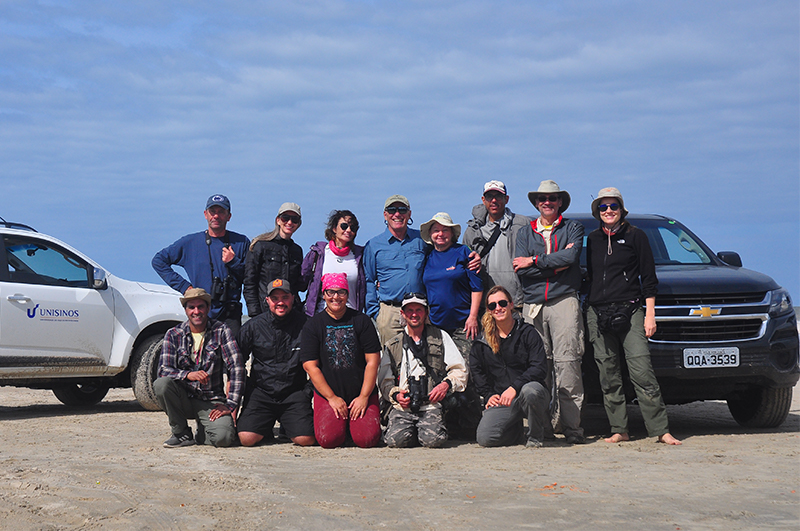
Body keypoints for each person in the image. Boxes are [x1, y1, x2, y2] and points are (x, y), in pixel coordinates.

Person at [586, 187, 681, 445]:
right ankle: (620, 429)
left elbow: (649, 278)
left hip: (631, 310)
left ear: (621, 209)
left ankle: (661, 430)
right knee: (608, 374)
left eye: (613, 206)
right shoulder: (593, 239)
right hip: (599, 313)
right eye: (603, 207)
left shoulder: (636, 236)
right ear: (597, 211)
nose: (608, 211)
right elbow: (591, 278)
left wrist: (650, 315)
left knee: (642, 371)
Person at [513, 179, 586, 445]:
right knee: (536, 368)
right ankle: (541, 429)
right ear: (536, 203)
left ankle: (572, 429)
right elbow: (520, 269)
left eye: (552, 198)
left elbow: (571, 258)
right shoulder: (524, 233)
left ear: (560, 203)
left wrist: (534, 260)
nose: (547, 202)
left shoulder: (573, 228)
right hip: (533, 304)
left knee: (568, 366)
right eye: (542, 199)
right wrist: (556, 264)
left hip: (564, 300)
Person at [364, 195, 482, 344]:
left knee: (424, 359)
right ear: (385, 214)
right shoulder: (373, 245)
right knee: (392, 360)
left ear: (409, 214)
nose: (397, 214)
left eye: (402, 209)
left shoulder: (421, 240)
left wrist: (472, 255)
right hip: (390, 312)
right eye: (392, 210)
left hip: (419, 309)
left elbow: (446, 251)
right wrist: (375, 313)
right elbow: (368, 280)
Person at [154, 288, 244, 448]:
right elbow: (163, 370)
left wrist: (230, 404)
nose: (197, 311)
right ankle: (181, 433)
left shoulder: (221, 330)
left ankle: (203, 433)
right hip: (182, 399)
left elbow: (236, 367)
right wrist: (188, 375)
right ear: (186, 310)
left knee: (224, 438)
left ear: (208, 308)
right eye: (191, 307)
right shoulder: (173, 334)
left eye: (200, 307)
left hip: (211, 400)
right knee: (162, 384)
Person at [300, 273, 382, 448]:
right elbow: (310, 366)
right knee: (328, 440)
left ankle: (354, 425)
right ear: (324, 294)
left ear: (347, 294)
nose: (335, 297)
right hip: (329, 393)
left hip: (360, 392)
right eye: (330, 292)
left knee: (366, 440)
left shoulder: (362, 321)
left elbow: (373, 361)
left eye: (341, 292)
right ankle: (342, 425)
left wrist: (364, 396)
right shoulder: (313, 325)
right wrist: (332, 398)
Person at [378, 293, 468, 448]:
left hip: (431, 404)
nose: (414, 314)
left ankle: (428, 428)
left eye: (419, 310)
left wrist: (445, 385)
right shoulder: (393, 345)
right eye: (410, 310)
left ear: (426, 312)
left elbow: (460, 370)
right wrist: (396, 394)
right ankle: (414, 430)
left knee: (433, 441)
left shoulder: (441, 337)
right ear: (403, 314)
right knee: (395, 441)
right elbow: (384, 382)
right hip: (403, 406)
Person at [152, 194, 249, 336]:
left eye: (221, 212)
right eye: (212, 212)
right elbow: (159, 261)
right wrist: (185, 287)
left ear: (229, 216)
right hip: (201, 312)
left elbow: (250, 277)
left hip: (230, 313)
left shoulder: (241, 242)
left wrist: (233, 262)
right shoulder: (190, 243)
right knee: (201, 356)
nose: (216, 216)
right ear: (205, 214)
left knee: (233, 356)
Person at [237, 279, 315, 447]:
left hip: (294, 393)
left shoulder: (307, 326)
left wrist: (307, 392)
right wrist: (247, 389)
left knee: (305, 439)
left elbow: (319, 364)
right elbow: (236, 365)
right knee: (246, 438)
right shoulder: (253, 326)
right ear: (267, 301)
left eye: (285, 297)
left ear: (293, 298)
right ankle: (264, 427)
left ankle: (290, 426)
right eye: (275, 298)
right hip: (261, 392)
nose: (280, 302)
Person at [470, 286, 550, 448]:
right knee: (486, 438)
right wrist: (488, 394)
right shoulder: (482, 341)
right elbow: (476, 371)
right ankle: (515, 431)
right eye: (493, 306)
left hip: (528, 393)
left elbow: (539, 368)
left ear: (511, 304)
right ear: (489, 311)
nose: (498, 308)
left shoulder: (528, 332)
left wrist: (515, 387)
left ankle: (536, 436)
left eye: (502, 303)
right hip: (503, 400)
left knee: (530, 392)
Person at [420, 212, 483, 358]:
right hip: (436, 327)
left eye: (445, 230)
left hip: (463, 325)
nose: (440, 234)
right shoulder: (427, 257)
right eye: (436, 230)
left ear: (452, 233)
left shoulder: (463, 252)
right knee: (439, 370)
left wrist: (473, 316)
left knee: (466, 369)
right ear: (430, 234)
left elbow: (477, 287)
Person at [463, 180, 530, 310]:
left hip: (516, 303)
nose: (494, 200)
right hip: (485, 305)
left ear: (507, 199)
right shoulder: (472, 230)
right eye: (489, 197)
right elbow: (464, 265)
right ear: (483, 200)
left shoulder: (523, 224)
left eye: (498, 196)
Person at [244, 202, 308, 318]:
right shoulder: (260, 246)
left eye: (294, 219)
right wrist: (255, 314)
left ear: (298, 224)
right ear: (278, 220)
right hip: (264, 313)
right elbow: (249, 282)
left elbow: (297, 286)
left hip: (290, 313)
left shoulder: (297, 251)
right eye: (285, 218)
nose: (289, 222)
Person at [301, 209, 367, 316]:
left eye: (353, 228)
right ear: (334, 229)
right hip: (321, 316)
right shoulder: (318, 253)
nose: (348, 230)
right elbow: (301, 281)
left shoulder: (361, 256)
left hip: (351, 317)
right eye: (344, 226)